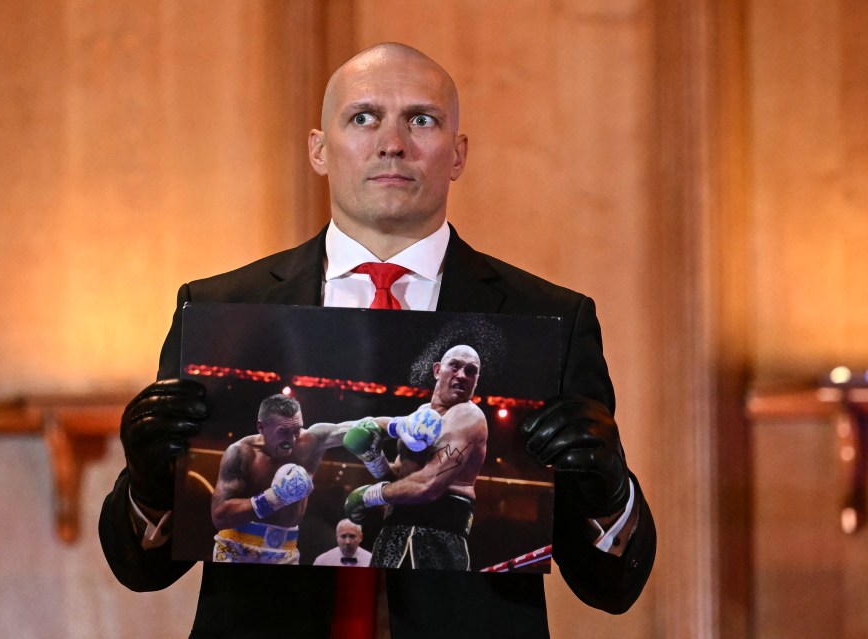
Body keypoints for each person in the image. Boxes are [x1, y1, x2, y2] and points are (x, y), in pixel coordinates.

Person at [99, 42, 656, 639]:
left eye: (422, 119)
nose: (393, 142)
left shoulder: (550, 321)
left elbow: (612, 588)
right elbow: (143, 571)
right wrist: (149, 478)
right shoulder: (220, 312)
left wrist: (609, 490)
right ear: (319, 148)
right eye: (363, 117)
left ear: (458, 154)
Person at [210, 393, 442, 564]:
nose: (292, 439)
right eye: (283, 431)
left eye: (296, 430)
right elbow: (220, 516)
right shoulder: (240, 453)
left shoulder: (310, 441)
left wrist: (403, 424)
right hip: (236, 548)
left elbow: (361, 425)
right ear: (261, 427)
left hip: (285, 550)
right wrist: (274, 497)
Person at [344, 345, 486, 570]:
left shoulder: (468, 415)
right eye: (455, 366)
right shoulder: (418, 416)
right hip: (393, 532)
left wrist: (367, 496)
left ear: (476, 380)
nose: (462, 375)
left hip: (437, 534)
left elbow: (427, 485)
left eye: (471, 371)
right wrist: (373, 458)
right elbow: (401, 481)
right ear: (438, 370)